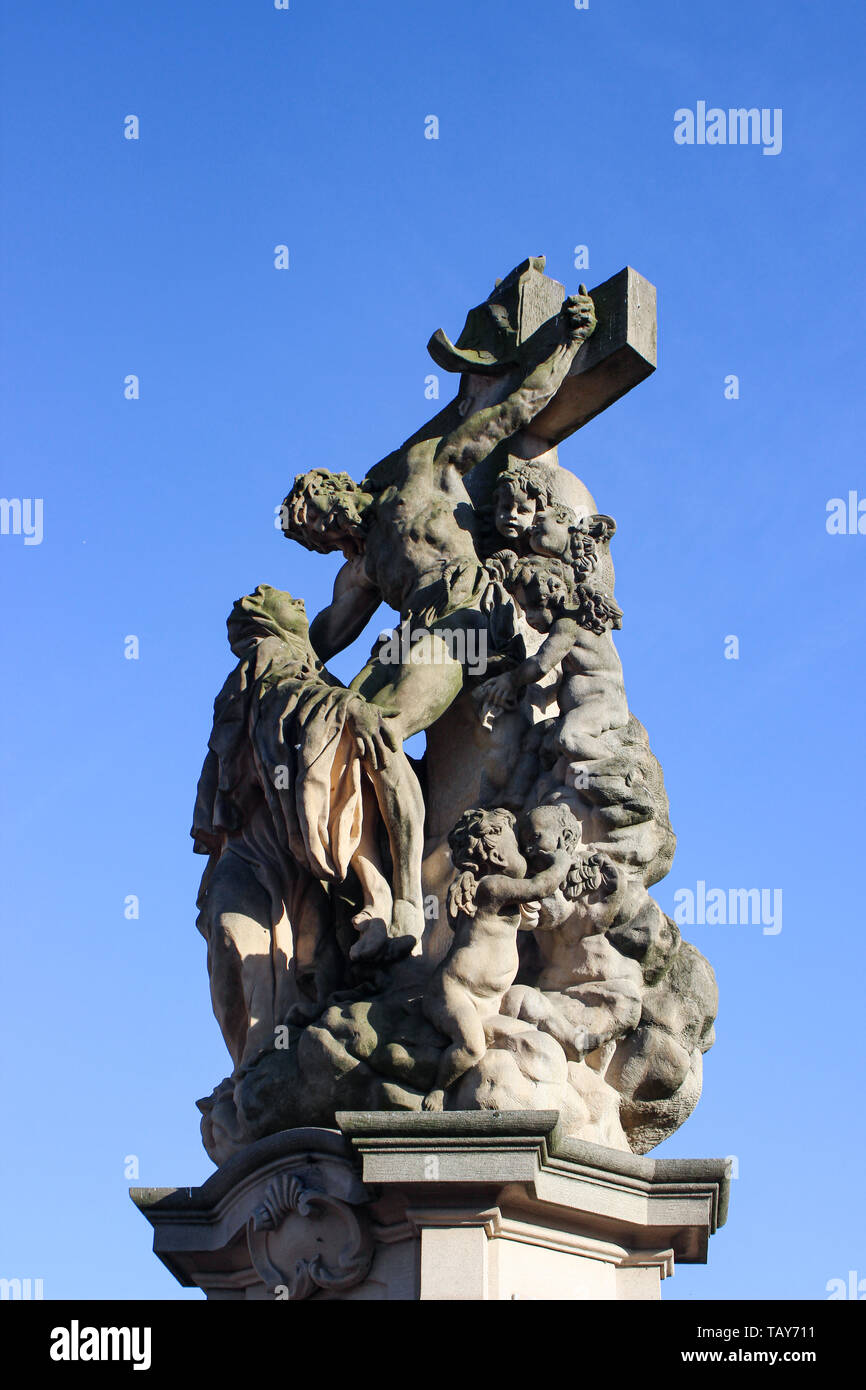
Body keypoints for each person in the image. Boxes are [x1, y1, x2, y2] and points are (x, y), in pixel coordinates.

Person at [421, 806, 573, 1111]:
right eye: (515, 842)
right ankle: (439, 1090)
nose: (523, 849)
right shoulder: (493, 887)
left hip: (486, 999)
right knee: (471, 1047)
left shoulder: (493, 889)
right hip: (456, 991)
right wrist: (562, 860)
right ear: (496, 853)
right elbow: (540, 887)